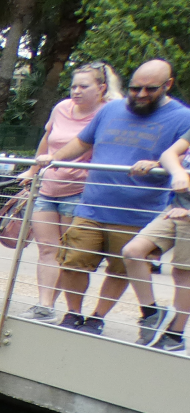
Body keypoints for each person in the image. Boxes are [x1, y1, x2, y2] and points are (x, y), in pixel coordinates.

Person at [32, 59, 190, 338]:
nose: (140, 95)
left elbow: (181, 162)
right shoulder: (112, 109)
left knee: (119, 269)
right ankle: (73, 313)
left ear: (167, 85)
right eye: (135, 88)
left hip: (138, 212)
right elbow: (83, 141)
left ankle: (97, 318)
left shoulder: (182, 117)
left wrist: (156, 165)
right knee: (72, 261)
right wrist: (53, 159)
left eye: (149, 89)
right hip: (92, 204)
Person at [21, 64, 121, 320]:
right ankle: (44, 305)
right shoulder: (61, 108)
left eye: (83, 86)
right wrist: (32, 171)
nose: (76, 91)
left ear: (101, 88)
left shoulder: (108, 113)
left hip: (79, 191)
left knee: (68, 254)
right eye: (73, 85)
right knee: (46, 249)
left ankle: (69, 310)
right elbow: (46, 141)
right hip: (48, 187)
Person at [120, 131, 190, 352]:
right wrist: (176, 170)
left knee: (183, 273)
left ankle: (174, 335)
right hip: (175, 208)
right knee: (132, 251)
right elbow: (171, 153)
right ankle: (152, 313)